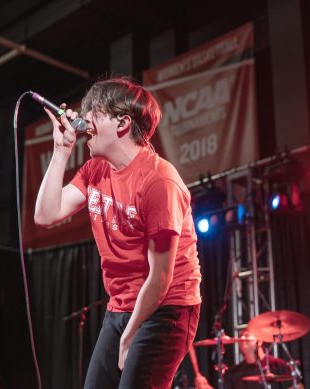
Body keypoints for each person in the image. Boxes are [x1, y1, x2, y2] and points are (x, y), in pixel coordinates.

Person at [34, 76, 202, 389]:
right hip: (121, 305)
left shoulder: (159, 182)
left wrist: (130, 333)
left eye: (94, 114)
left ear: (122, 123)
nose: (86, 123)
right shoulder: (95, 169)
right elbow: (46, 214)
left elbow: (162, 276)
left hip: (167, 306)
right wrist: (61, 150)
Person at [194, 331, 302, 389]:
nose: (242, 337)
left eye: (247, 334)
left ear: (259, 340)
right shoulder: (232, 373)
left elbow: (299, 387)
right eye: (241, 336)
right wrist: (205, 387)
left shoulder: (279, 366)